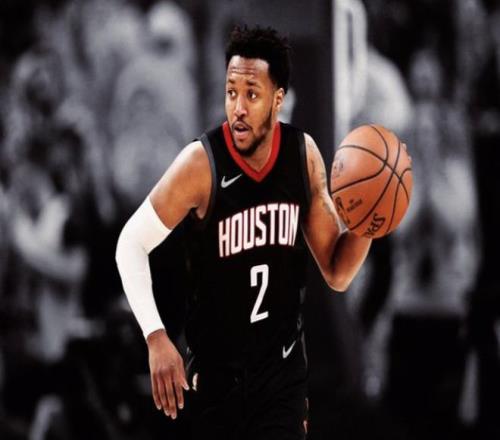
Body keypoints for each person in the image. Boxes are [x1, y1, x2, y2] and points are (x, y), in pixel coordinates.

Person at [115, 25, 372, 439]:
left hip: (281, 381)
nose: (237, 107)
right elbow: (130, 244)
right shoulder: (201, 164)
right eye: (231, 92)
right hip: (217, 381)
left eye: (251, 94)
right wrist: (156, 336)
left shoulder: (303, 156)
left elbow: (338, 272)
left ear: (278, 99)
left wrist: (369, 224)